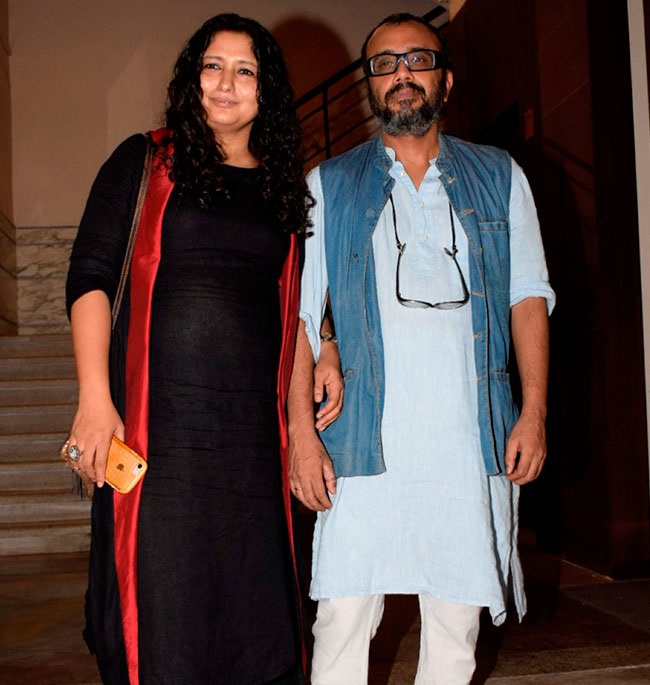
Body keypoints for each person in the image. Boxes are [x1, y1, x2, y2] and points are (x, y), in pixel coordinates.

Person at [64, 13, 342, 685]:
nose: (225, 82)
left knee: (256, 621)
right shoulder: (146, 160)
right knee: (164, 620)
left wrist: (326, 341)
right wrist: (95, 401)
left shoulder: (283, 190)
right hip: (163, 442)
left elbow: (294, 306)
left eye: (245, 70)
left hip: (249, 445)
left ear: (265, 90)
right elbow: (91, 276)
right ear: (192, 79)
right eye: (212, 65)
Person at [287, 12, 555, 685]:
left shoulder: (501, 176)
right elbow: (296, 315)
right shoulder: (327, 186)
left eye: (417, 59)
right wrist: (299, 433)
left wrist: (534, 411)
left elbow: (528, 297)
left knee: (456, 619)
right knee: (343, 615)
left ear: (446, 78)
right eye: (384, 64)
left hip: (469, 440)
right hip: (362, 443)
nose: (401, 74)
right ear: (369, 88)